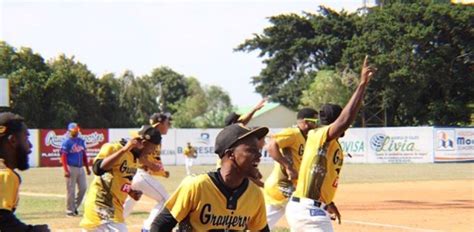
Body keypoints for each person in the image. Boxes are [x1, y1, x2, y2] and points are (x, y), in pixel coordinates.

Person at [286, 56, 375, 231]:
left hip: (310, 208)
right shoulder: (318, 135)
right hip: (309, 211)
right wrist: (362, 84)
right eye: (341, 121)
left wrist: (329, 202)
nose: (346, 126)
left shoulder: (330, 144)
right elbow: (345, 120)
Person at [151, 124, 270, 231]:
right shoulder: (197, 186)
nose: (259, 155)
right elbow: (160, 226)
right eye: (251, 150)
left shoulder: (254, 194)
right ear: (230, 154)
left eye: (259, 150)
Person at [80, 125, 161, 232]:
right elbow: (97, 169)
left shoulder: (135, 158)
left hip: (113, 209)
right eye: (152, 148)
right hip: (102, 206)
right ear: (144, 143)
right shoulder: (114, 147)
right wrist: (124, 149)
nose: (151, 152)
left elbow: (118, 179)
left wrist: (131, 192)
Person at [263, 107, 319, 229]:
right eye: (313, 121)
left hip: (288, 188)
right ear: (304, 122)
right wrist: (288, 167)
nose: (316, 125)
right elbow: (271, 146)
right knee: (303, 218)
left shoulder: (307, 138)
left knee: (263, 226)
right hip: (282, 186)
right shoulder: (293, 133)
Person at [0, 112, 50, 231]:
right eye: (26, 138)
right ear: (12, 141)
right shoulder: (5, 175)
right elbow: (3, 219)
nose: (30, 146)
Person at [123, 113, 172, 232]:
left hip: (134, 173)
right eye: (167, 123)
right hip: (138, 174)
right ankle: (148, 228)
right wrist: (151, 166)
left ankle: (115, 220)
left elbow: (150, 160)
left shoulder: (152, 134)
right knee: (166, 199)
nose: (169, 126)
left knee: (132, 198)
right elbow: (141, 157)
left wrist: (162, 172)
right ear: (160, 124)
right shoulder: (150, 136)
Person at [60, 122, 91, 217]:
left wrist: (87, 167)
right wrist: (65, 169)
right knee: (71, 190)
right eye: (73, 130)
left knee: (83, 188)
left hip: (80, 167)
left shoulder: (81, 141)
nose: (75, 131)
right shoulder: (66, 142)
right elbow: (63, 157)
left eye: (76, 130)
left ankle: (75, 207)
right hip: (71, 167)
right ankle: (70, 210)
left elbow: (84, 155)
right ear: (69, 131)